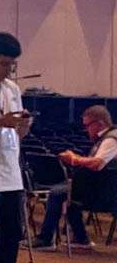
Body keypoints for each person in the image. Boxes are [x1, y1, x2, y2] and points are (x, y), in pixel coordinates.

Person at [0, 33, 44, 263]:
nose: (8, 69)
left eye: (12, 65)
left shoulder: (11, 87)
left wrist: (22, 125)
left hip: (11, 172)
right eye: (3, 63)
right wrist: (2, 122)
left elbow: (18, 131)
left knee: (12, 235)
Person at [34, 105, 117, 251]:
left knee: (58, 193)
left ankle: (46, 240)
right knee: (68, 195)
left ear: (100, 123)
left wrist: (74, 159)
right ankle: (80, 238)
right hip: (97, 188)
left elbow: (97, 164)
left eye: (88, 125)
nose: (86, 130)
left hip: (105, 193)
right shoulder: (105, 139)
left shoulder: (111, 140)